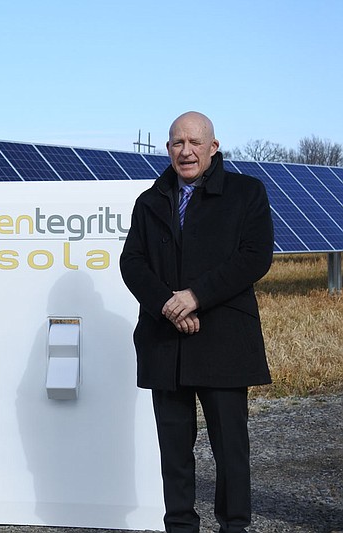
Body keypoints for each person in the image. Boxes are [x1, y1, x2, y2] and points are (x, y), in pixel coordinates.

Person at [120, 111, 274, 533]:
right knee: (173, 449)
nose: (185, 151)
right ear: (168, 148)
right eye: (176, 143)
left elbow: (254, 257)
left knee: (230, 446)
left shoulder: (246, 193)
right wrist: (167, 305)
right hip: (164, 342)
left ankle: (234, 525)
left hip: (222, 340)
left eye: (193, 142)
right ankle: (181, 526)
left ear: (213, 147)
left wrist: (195, 298)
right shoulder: (150, 199)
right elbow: (131, 262)